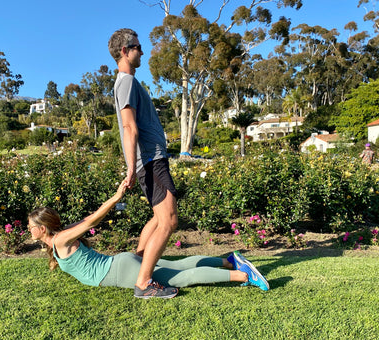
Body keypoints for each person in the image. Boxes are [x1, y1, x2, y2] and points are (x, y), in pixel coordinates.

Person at [27, 181, 270, 297]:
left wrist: (115, 198)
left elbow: (92, 220)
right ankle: (229, 261)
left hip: (116, 272)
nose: (29, 229)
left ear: (42, 228)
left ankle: (243, 275)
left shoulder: (60, 240)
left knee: (180, 277)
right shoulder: (59, 238)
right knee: (177, 264)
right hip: (119, 263)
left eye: (31, 226)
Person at [108, 28, 179, 298]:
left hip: (151, 159)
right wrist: (131, 168)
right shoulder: (125, 81)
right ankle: (144, 282)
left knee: (159, 218)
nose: (143, 51)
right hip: (149, 160)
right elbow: (129, 127)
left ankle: (138, 265)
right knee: (169, 221)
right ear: (125, 51)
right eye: (138, 47)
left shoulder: (129, 82)